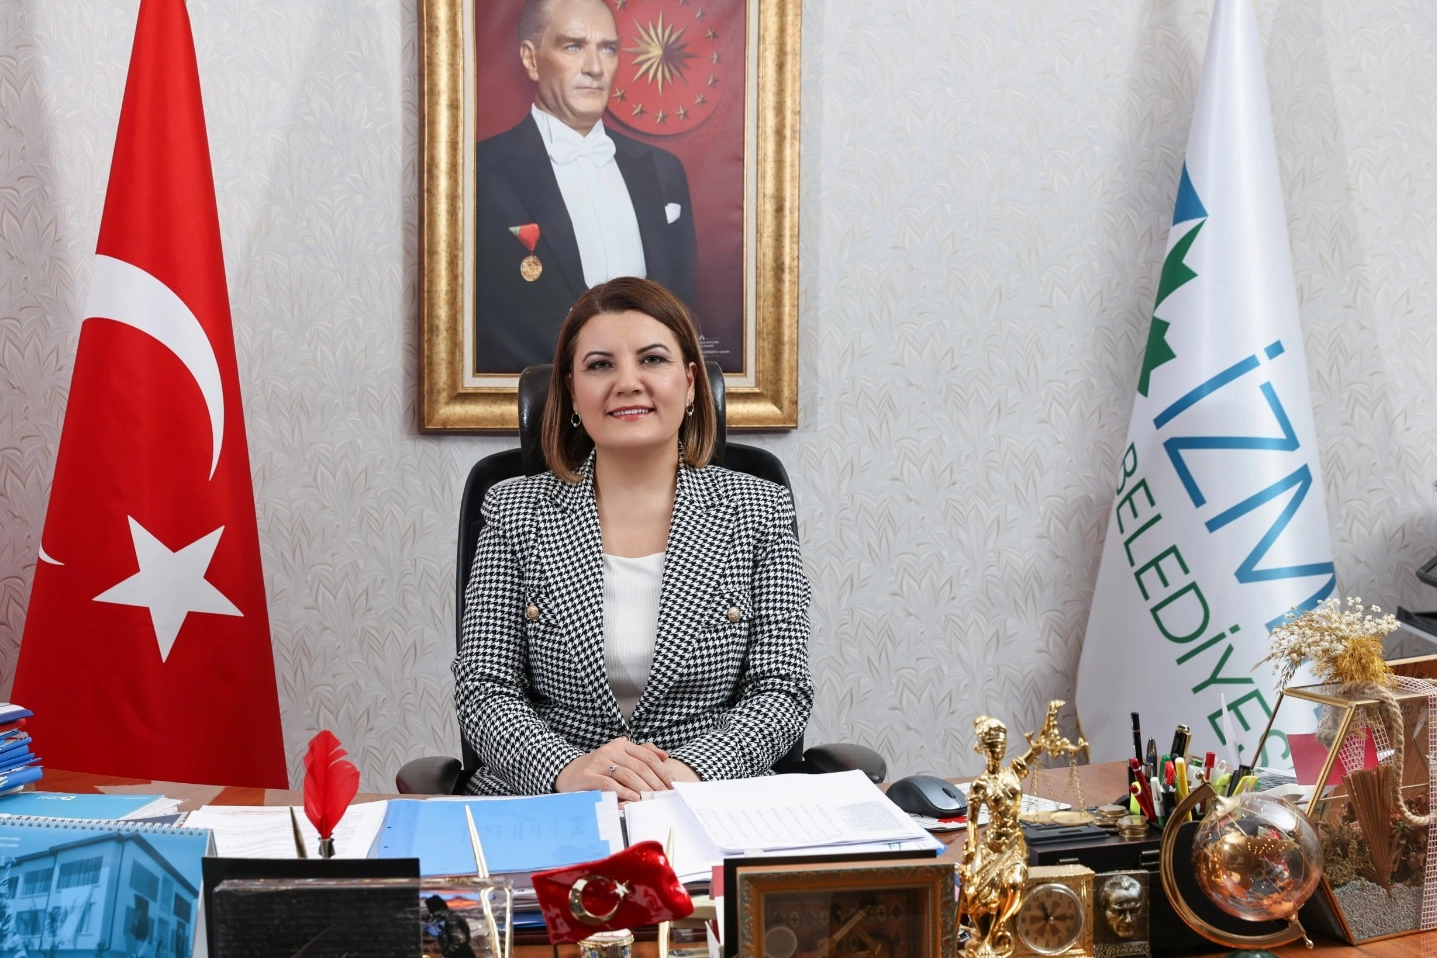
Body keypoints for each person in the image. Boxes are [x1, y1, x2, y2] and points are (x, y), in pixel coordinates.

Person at [452, 277, 813, 798]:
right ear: (572, 391)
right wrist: (565, 771)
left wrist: (686, 774)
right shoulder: (514, 510)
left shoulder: (759, 509)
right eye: (600, 365)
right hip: (552, 801)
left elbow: (781, 690)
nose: (627, 382)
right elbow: (486, 688)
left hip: (707, 799)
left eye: (652, 360)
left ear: (690, 382)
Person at [473, 0, 700, 373]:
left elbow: (683, 308)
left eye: (607, 49)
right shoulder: (480, 171)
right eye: (573, 46)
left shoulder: (663, 170)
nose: (595, 68)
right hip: (540, 395)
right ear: (530, 59)